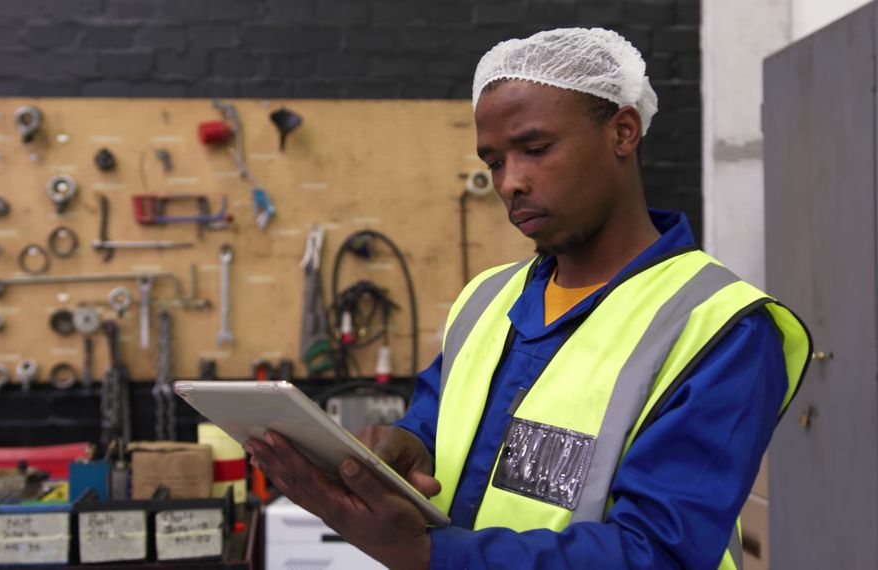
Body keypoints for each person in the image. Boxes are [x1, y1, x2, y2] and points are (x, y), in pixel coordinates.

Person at [245, 27, 811, 569]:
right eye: (493, 162)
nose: (510, 181)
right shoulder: (488, 298)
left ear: (623, 132)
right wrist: (404, 447)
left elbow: (658, 553)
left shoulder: (721, 328)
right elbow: (438, 420)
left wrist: (425, 556)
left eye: (534, 148)